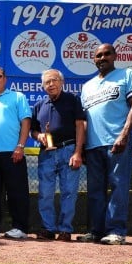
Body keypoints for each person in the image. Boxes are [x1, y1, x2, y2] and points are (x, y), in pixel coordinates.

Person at [78, 43, 132, 245]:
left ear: (115, 56)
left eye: (107, 54)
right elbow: (85, 120)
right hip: (93, 146)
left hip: (117, 141)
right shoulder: (87, 86)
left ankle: (116, 230)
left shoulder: (127, 74)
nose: (102, 58)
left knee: (118, 186)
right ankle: (97, 231)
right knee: (95, 190)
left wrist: (124, 134)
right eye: (98, 55)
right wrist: (82, 148)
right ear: (94, 59)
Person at [31, 69, 86, 242]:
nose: (51, 84)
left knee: (69, 192)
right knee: (45, 193)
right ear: (43, 86)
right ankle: (48, 228)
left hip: (68, 150)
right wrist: (38, 136)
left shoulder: (73, 99)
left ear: (62, 82)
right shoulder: (39, 105)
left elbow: (80, 126)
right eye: (47, 82)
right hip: (46, 154)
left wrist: (78, 151)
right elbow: (33, 129)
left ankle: (65, 229)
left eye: (54, 80)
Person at [0, 65, 32, 239]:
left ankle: (20, 227)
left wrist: (20, 146)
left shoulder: (18, 97)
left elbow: (26, 122)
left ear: (5, 79)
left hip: (13, 152)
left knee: (17, 192)